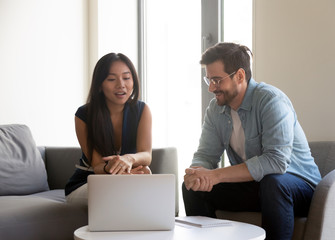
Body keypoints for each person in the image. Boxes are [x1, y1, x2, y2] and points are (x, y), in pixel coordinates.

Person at [182, 42, 321, 240]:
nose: (211, 87)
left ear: (239, 75)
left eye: (217, 80)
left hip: (299, 187)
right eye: (208, 80)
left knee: (274, 183)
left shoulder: (271, 101)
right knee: (192, 188)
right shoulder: (215, 109)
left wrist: (216, 175)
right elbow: (206, 155)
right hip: (259, 186)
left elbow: (276, 162)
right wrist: (197, 173)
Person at [65, 53, 152, 206]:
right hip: (88, 182)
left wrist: (129, 159)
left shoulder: (142, 110)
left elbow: (146, 155)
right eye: (111, 79)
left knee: (146, 172)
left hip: (124, 181)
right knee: (123, 191)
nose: (121, 85)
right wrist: (115, 170)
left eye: (126, 78)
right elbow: (98, 166)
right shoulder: (83, 115)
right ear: (99, 84)